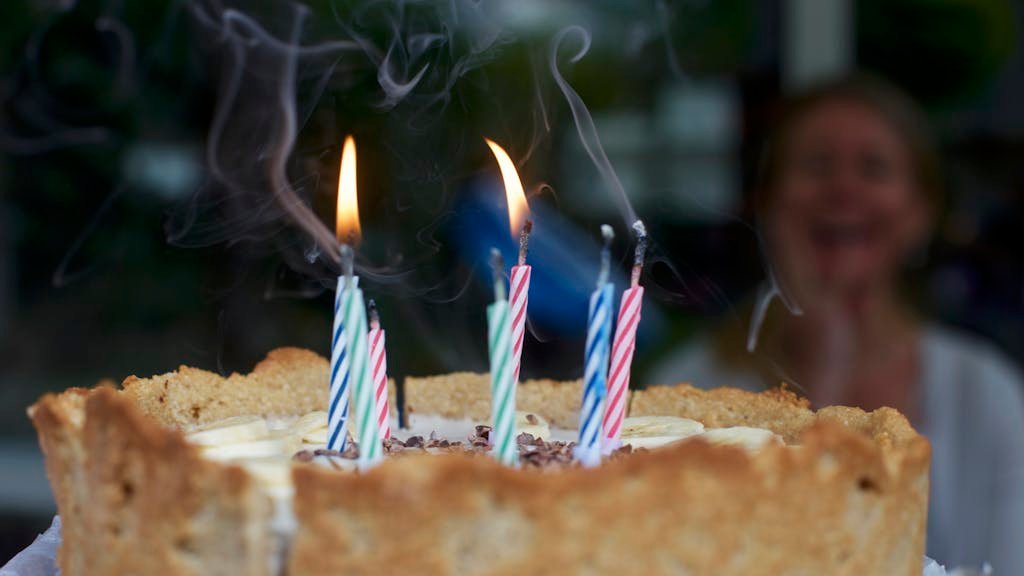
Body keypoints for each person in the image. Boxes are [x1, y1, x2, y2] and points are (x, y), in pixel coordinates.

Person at [650, 75, 1024, 572]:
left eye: (874, 168)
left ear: (919, 212)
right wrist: (822, 372)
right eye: (816, 166)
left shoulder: (983, 391)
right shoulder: (688, 390)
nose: (843, 189)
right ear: (769, 204)